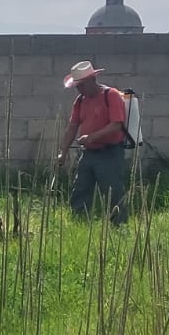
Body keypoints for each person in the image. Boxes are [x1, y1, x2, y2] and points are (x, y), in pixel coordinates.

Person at [55, 60, 129, 225]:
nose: (78, 89)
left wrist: (91, 137)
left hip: (110, 153)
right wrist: (63, 152)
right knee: (80, 190)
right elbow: (72, 127)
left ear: (92, 80)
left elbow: (117, 125)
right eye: (77, 86)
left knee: (113, 192)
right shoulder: (80, 101)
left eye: (81, 85)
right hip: (88, 154)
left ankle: (119, 228)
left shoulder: (111, 96)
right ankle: (79, 223)